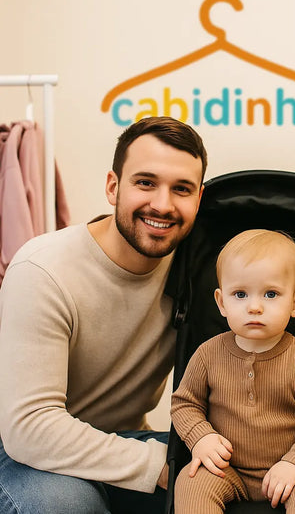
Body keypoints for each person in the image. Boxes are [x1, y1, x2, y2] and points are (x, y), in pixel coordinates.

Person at [0, 116, 207, 514]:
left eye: (181, 189)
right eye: (145, 183)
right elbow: (29, 427)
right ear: (113, 187)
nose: (162, 205)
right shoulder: (43, 270)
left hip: (120, 436)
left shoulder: (198, 267)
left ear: (198, 199)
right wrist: (160, 465)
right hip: (19, 450)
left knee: (228, 477)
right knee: (67, 506)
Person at [170, 229, 295, 513]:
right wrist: (201, 437)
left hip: (291, 470)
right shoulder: (207, 354)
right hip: (226, 468)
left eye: (271, 294)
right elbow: (185, 404)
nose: (255, 307)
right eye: (240, 294)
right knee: (191, 482)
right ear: (221, 302)